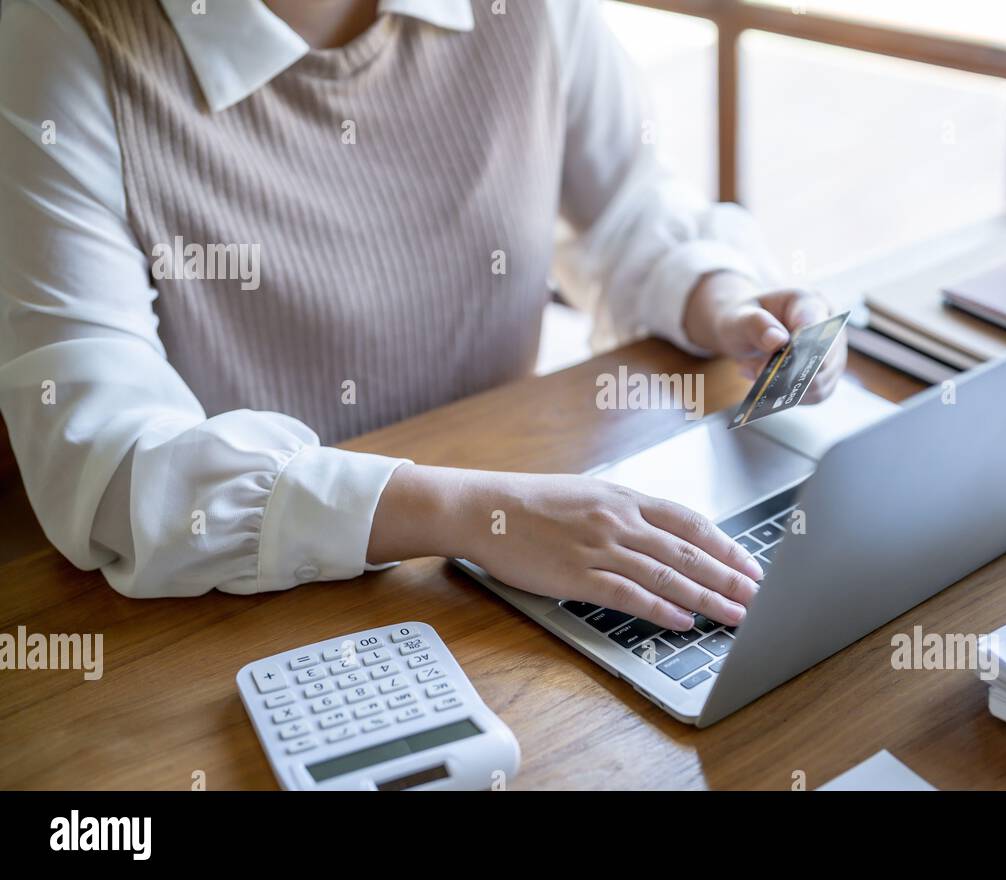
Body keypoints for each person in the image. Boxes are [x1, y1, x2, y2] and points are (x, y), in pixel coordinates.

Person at [0, 0, 845, 632]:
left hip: (508, 565)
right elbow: (105, 463)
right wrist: (469, 513)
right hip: (229, 616)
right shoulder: (53, 40)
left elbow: (625, 207)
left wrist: (723, 298)